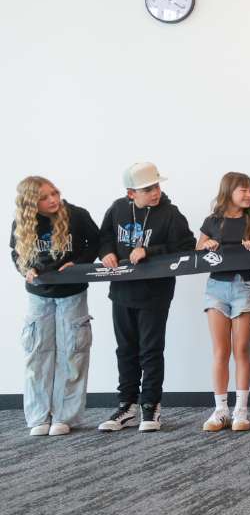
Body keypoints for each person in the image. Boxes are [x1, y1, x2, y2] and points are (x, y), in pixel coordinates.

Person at [97, 162, 195, 433]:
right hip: (121, 291)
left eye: (157, 186)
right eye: (148, 188)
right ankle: (127, 405)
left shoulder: (171, 214)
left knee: (150, 351)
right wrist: (106, 251)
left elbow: (186, 247)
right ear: (131, 193)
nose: (155, 192)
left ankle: (150, 406)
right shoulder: (117, 209)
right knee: (125, 351)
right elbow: (103, 237)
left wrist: (149, 250)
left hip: (155, 294)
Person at [10, 177, 99, 436]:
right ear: (31, 204)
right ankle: (38, 416)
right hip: (39, 294)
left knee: (72, 352)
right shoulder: (23, 223)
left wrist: (79, 264)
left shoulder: (77, 215)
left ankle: (65, 416)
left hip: (72, 293)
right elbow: (16, 253)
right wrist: (25, 269)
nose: (53, 199)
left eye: (55, 193)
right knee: (38, 354)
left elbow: (93, 243)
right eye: (44, 197)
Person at [197, 172, 250, 433]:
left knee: (242, 350)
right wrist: (207, 245)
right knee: (220, 351)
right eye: (243, 190)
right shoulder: (212, 221)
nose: (249, 195)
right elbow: (197, 254)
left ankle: (241, 410)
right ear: (229, 192)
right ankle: (220, 410)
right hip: (216, 287)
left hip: (244, 286)